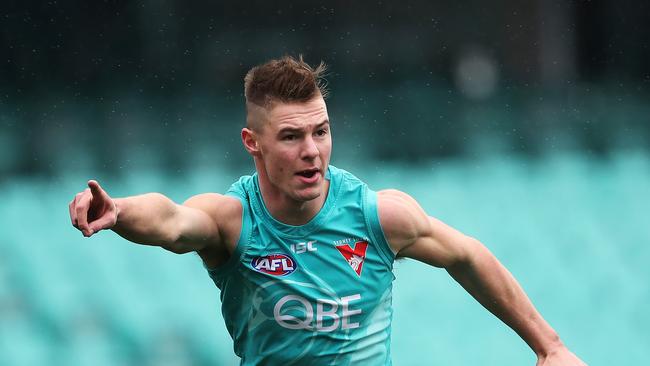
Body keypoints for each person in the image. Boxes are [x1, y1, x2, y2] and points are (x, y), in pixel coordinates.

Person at [69, 55, 587, 365]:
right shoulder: (233, 221)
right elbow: (172, 220)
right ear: (253, 142)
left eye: (321, 131)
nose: (312, 150)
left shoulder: (379, 216)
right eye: (291, 137)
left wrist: (549, 346)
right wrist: (120, 212)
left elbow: (466, 255)